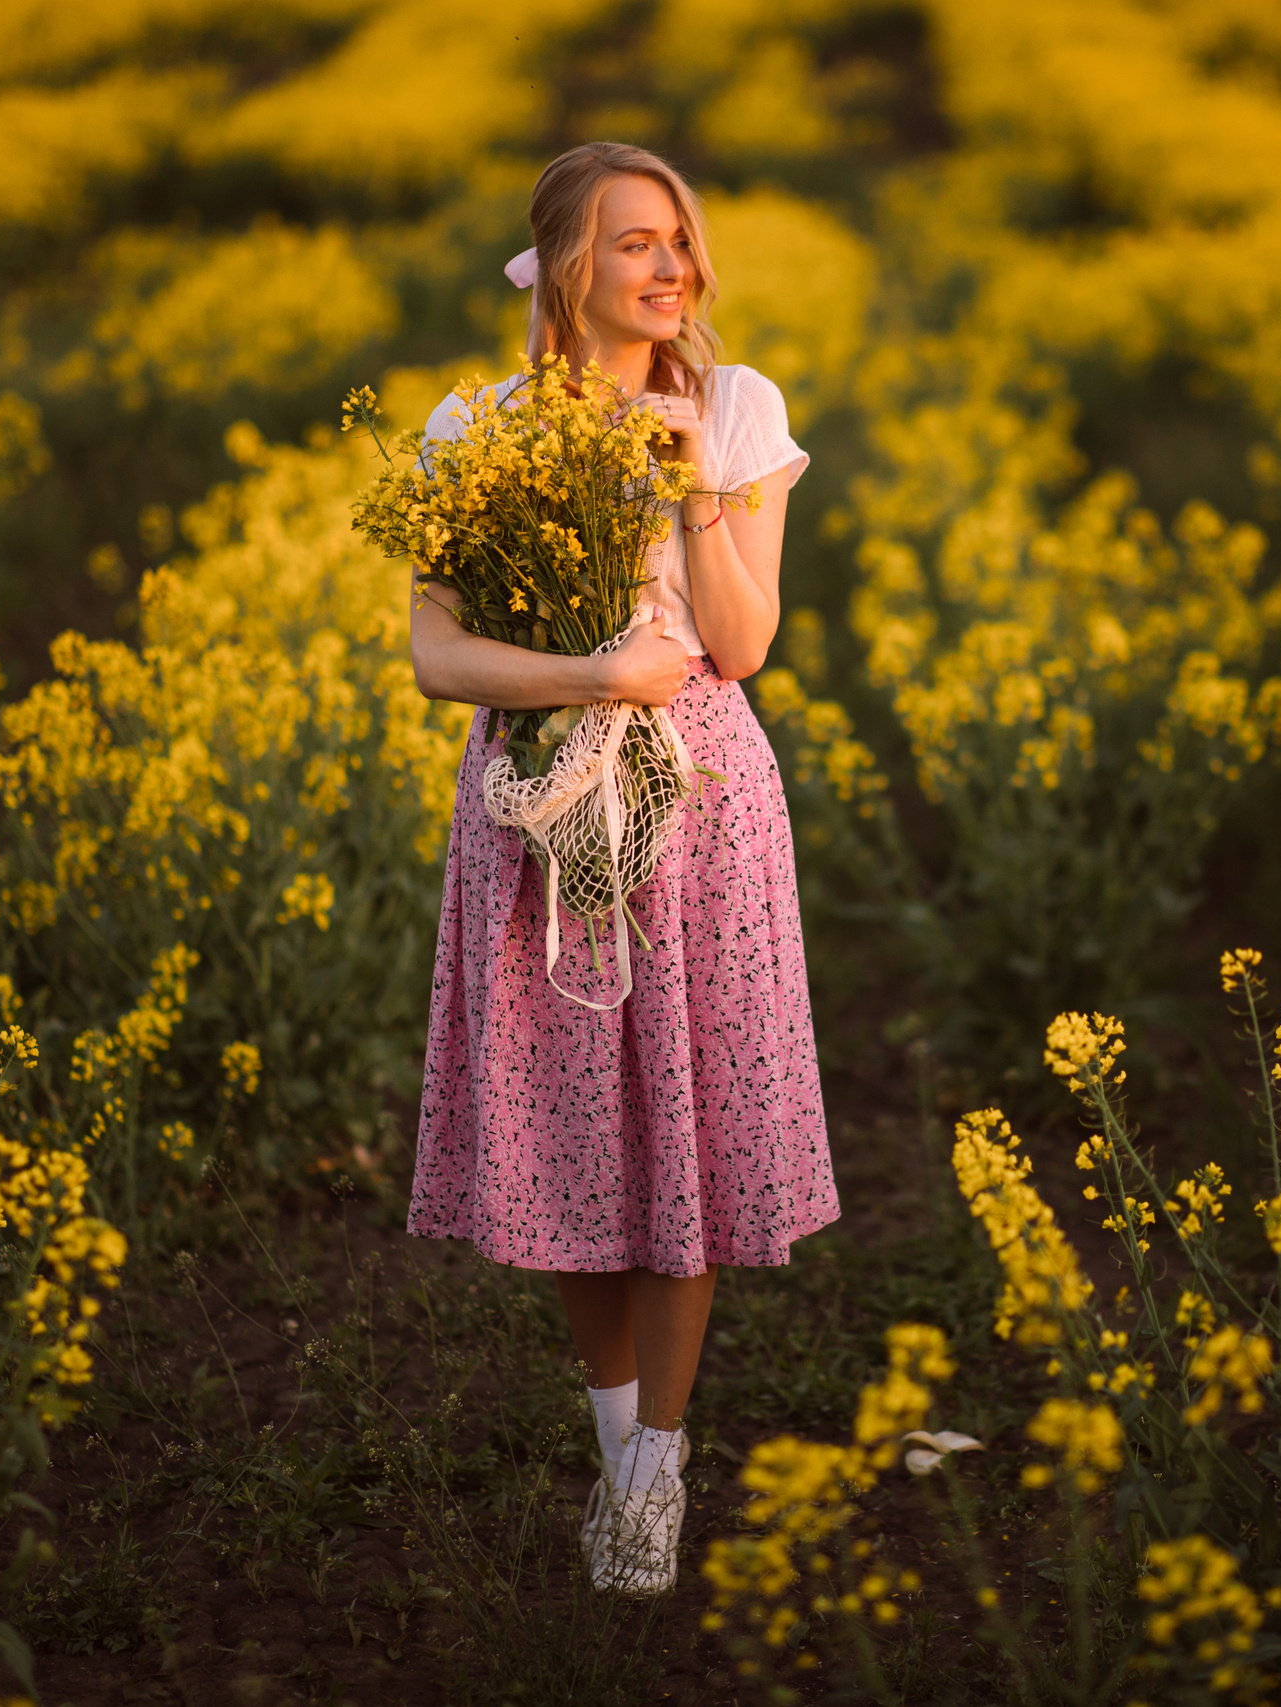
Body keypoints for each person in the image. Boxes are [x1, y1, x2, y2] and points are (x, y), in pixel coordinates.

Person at [402, 141, 839, 1596]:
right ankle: (617, 1451)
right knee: (569, 1126)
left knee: (685, 1128)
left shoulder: (734, 406)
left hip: (700, 796)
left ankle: (657, 1474)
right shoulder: (476, 427)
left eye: (681, 241)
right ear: (565, 265)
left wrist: (691, 483)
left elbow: (745, 642)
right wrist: (592, 677)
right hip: (537, 793)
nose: (672, 269)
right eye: (638, 242)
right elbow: (437, 655)